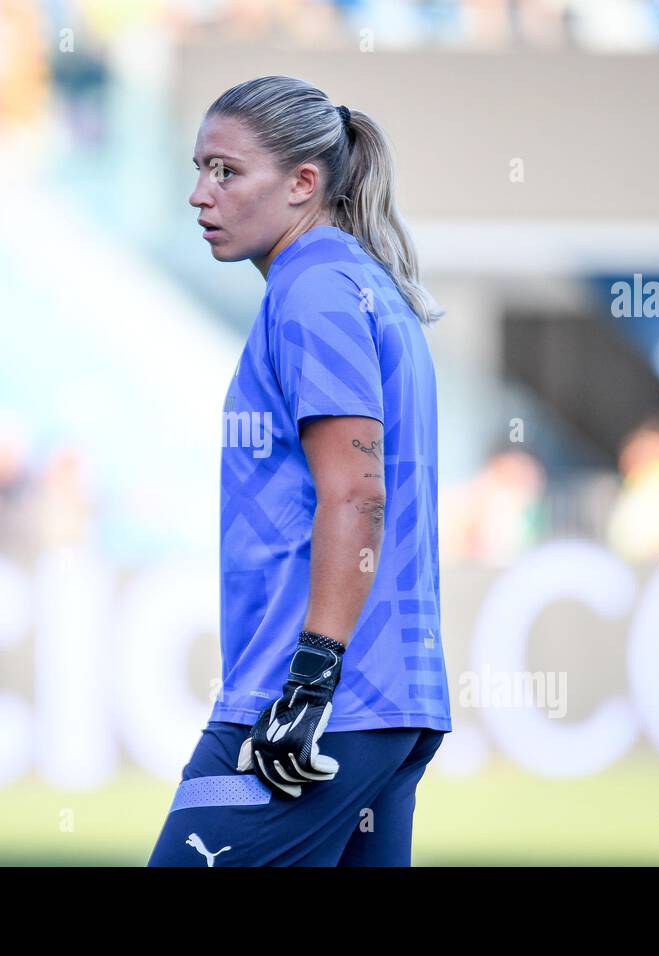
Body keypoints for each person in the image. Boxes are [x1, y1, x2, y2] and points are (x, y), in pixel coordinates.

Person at [147, 76, 451, 867]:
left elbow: (356, 492)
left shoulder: (314, 290)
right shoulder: (359, 286)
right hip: (376, 706)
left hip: (312, 708)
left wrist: (308, 683)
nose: (199, 194)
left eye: (225, 171)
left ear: (303, 184)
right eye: (199, 169)